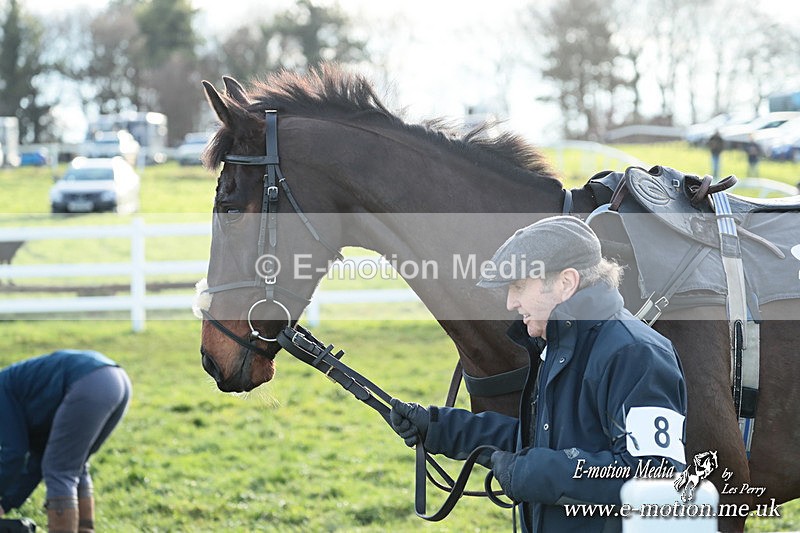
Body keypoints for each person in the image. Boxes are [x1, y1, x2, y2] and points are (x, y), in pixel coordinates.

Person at [389, 216, 688, 532]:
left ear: (566, 283)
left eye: (519, 286)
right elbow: (540, 439)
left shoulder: (636, 353)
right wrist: (439, 427)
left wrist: (534, 474)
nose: (510, 302)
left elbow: (657, 477)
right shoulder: (558, 346)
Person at [0, 350, 132, 533]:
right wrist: (5, 503)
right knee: (73, 466)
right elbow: (36, 462)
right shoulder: (22, 401)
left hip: (88, 383)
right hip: (116, 379)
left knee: (60, 470)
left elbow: (13, 452)